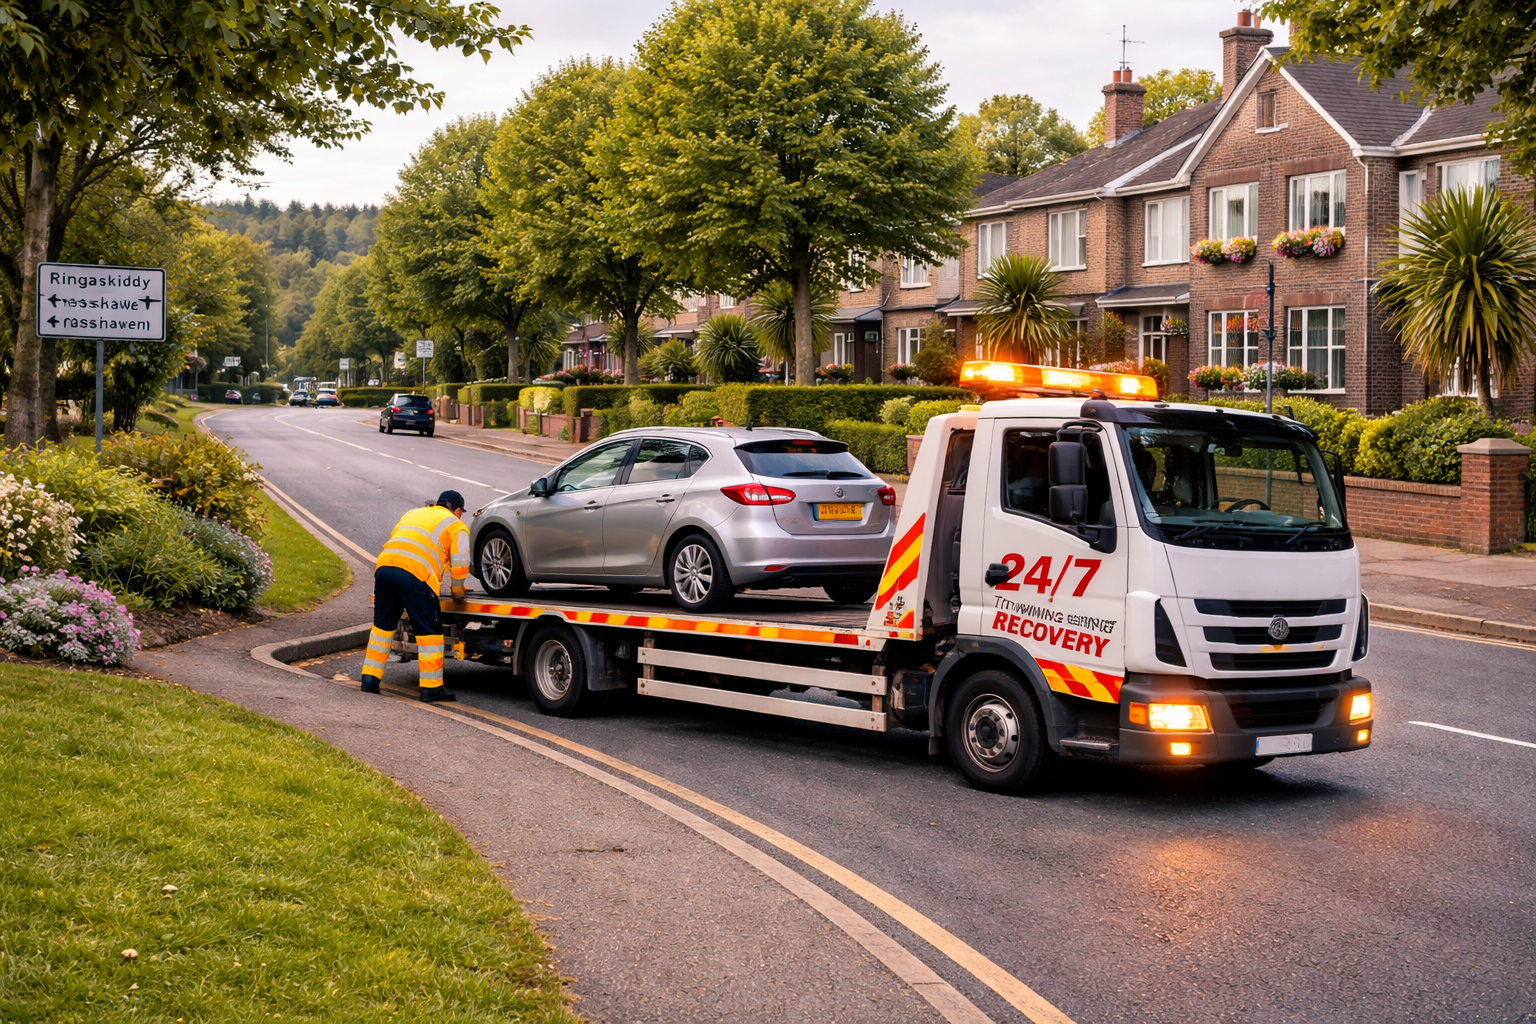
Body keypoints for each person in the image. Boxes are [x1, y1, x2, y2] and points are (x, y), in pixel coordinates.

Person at [360, 489, 471, 701]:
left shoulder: (412, 513)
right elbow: (460, 563)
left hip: (385, 568)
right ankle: (431, 689)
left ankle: (370, 680)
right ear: (457, 510)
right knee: (430, 633)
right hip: (415, 576)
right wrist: (458, 591)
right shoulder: (456, 525)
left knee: (382, 628)